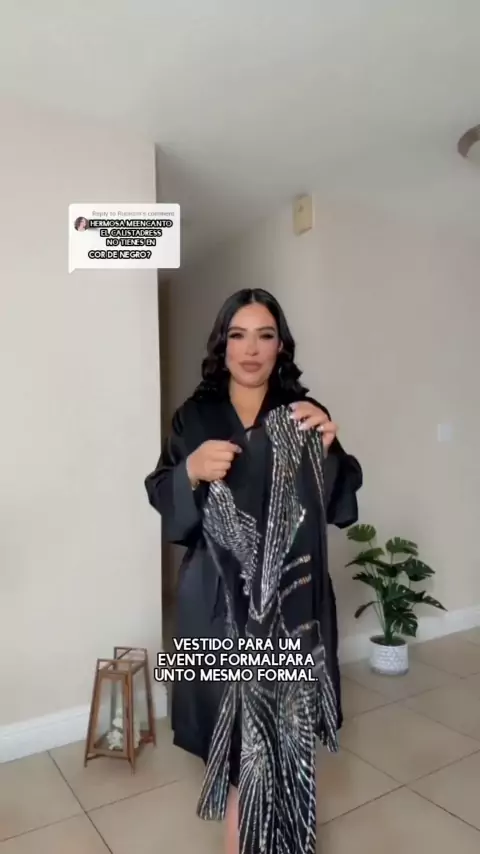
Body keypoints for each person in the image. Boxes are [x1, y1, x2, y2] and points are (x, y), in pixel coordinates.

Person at [145, 288, 362, 854]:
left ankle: (287, 839)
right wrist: (190, 471)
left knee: (285, 737)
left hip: (290, 603)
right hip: (219, 603)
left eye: (265, 336)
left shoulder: (302, 413)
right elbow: (163, 494)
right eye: (238, 335)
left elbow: (339, 504)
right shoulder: (195, 416)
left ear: (280, 345)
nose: (251, 349)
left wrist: (330, 450)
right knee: (242, 747)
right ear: (222, 345)